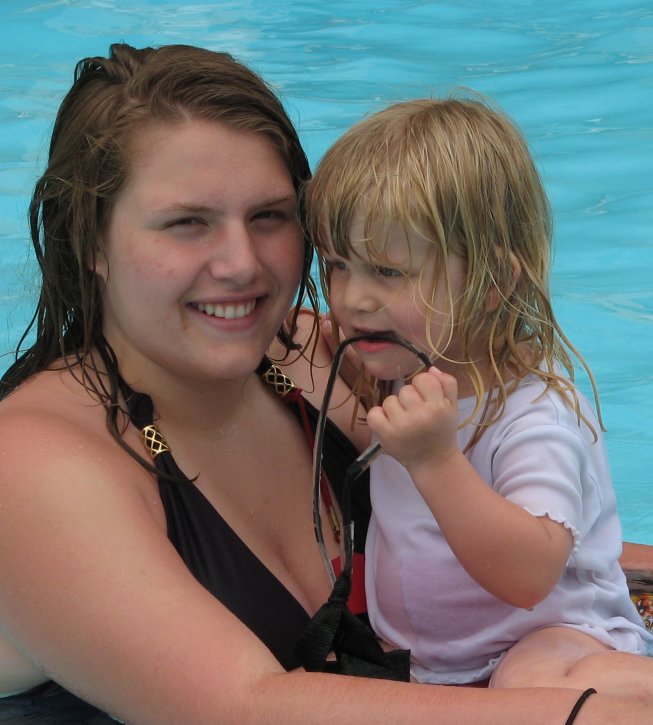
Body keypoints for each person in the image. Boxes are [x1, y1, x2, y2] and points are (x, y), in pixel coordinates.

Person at [0, 44, 649, 725]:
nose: (241, 264)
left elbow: (516, 536)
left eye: (269, 216)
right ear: (90, 241)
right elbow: (241, 706)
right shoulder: (36, 468)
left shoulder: (311, 357)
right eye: (187, 222)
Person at [306, 94, 653, 698]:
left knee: (533, 684)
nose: (352, 298)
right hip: (437, 662)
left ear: (491, 284)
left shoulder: (533, 415)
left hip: (557, 637)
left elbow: (528, 577)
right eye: (338, 265)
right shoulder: (398, 362)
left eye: (387, 272)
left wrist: (435, 462)